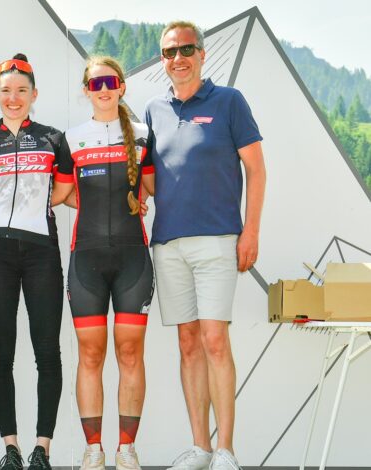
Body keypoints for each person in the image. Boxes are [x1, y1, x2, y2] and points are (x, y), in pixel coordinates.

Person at [144, 21, 266, 470]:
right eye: (169, 52)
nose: (178, 58)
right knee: (188, 344)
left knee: (215, 340)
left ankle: (226, 451)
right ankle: (200, 448)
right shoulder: (153, 110)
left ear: (201, 53)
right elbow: (153, 179)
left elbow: (257, 170)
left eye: (186, 49)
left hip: (218, 240)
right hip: (168, 243)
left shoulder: (230, 101)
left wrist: (250, 231)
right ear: (163, 59)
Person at [0, 53, 64, 470]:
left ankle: (42, 449)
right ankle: (12, 449)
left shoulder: (53, 139)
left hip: (42, 252)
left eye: (22, 90)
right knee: (0, 354)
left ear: (34, 94)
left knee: (47, 352)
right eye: (6, 91)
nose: (14, 97)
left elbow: (66, 192)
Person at [51, 56, 155, 470]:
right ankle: (93, 450)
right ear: (86, 91)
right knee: (90, 356)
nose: (105, 89)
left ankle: (126, 449)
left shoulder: (144, 135)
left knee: (130, 354)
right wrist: (5, 201)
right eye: (96, 84)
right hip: (87, 260)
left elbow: (156, 186)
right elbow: (60, 194)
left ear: (122, 86)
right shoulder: (72, 139)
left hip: (133, 259)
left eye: (111, 82)